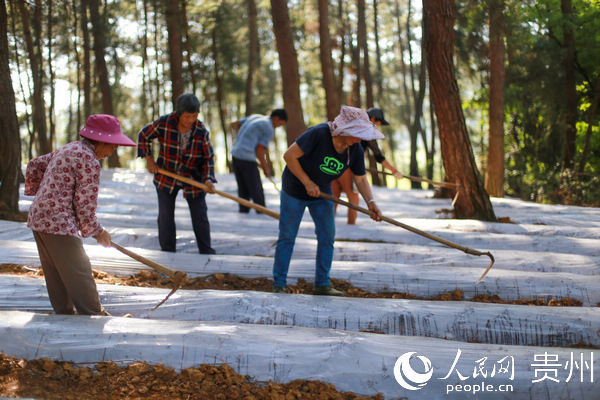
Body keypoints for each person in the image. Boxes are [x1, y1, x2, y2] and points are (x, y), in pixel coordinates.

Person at [25, 114, 136, 315]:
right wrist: (98, 231)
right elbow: (84, 205)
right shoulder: (90, 161)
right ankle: (94, 315)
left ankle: (64, 316)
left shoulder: (71, 147)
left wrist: (45, 193)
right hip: (58, 222)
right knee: (79, 272)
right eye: (113, 145)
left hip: (39, 216)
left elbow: (35, 164)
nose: (113, 151)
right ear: (102, 141)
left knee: (56, 273)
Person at [272, 106, 383, 296]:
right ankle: (279, 284)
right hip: (295, 189)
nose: (359, 139)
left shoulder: (354, 149)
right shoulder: (318, 134)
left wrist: (371, 202)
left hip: (322, 190)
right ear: (345, 129)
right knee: (288, 236)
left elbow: (361, 179)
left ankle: (322, 284)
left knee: (327, 236)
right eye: (357, 133)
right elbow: (289, 156)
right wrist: (307, 182)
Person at [138, 93, 217, 254]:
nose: (190, 120)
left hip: (193, 177)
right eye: (187, 116)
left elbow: (208, 157)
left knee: (200, 215)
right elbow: (143, 135)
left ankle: (206, 252)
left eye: (194, 116)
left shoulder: (201, 130)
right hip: (167, 175)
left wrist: (208, 179)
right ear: (178, 114)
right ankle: (168, 252)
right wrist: (149, 160)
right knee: (166, 216)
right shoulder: (164, 123)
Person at [331, 107, 401, 224]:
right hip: (347, 167)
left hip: (333, 165)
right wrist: (394, 170)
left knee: (334, 196)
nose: (378, 126)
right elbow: (379, 157)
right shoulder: (365, 131)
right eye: (378, 123)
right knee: (353, 196)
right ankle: (351, 226)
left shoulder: (352, 126)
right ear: (373, 119)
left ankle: (329, 225)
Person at [230, 109, 287, 213]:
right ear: (275, 118)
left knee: (242, 187)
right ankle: (261, 211)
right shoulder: (269, 128)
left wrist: (243, 139)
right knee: (255, 187)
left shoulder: (255, 116)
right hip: (247, 156)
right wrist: (266, 169)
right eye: (279, 124)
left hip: (235, 153)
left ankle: (243, 209)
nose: (278, 127)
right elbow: (260, 151)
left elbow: (235, 124)